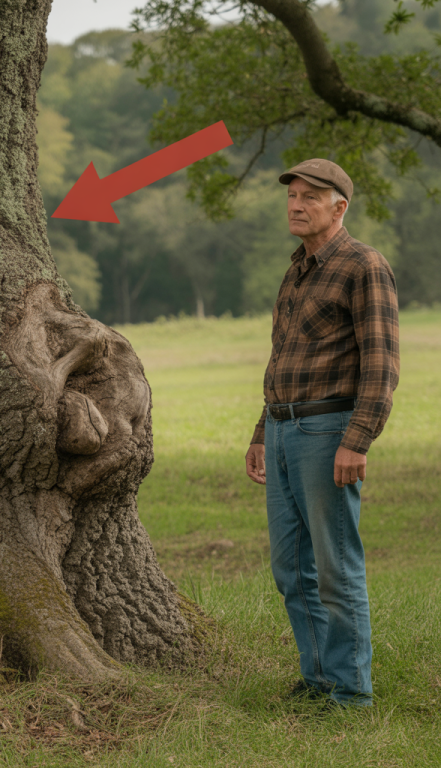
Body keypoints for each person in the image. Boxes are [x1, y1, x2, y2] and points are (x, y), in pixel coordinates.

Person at [244, 159, 399, 707]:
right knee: (291, 569)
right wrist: (263, 429)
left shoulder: (363, 266)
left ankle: (352, 692)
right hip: (285, 430)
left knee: (335, 567)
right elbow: (282, 357)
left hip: (328, 430)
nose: (296, 204)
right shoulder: (296, 271)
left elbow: (381, 365)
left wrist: (357, 439)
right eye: (291, 195)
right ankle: (319, 680)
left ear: (340, 206)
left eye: (311, 195)